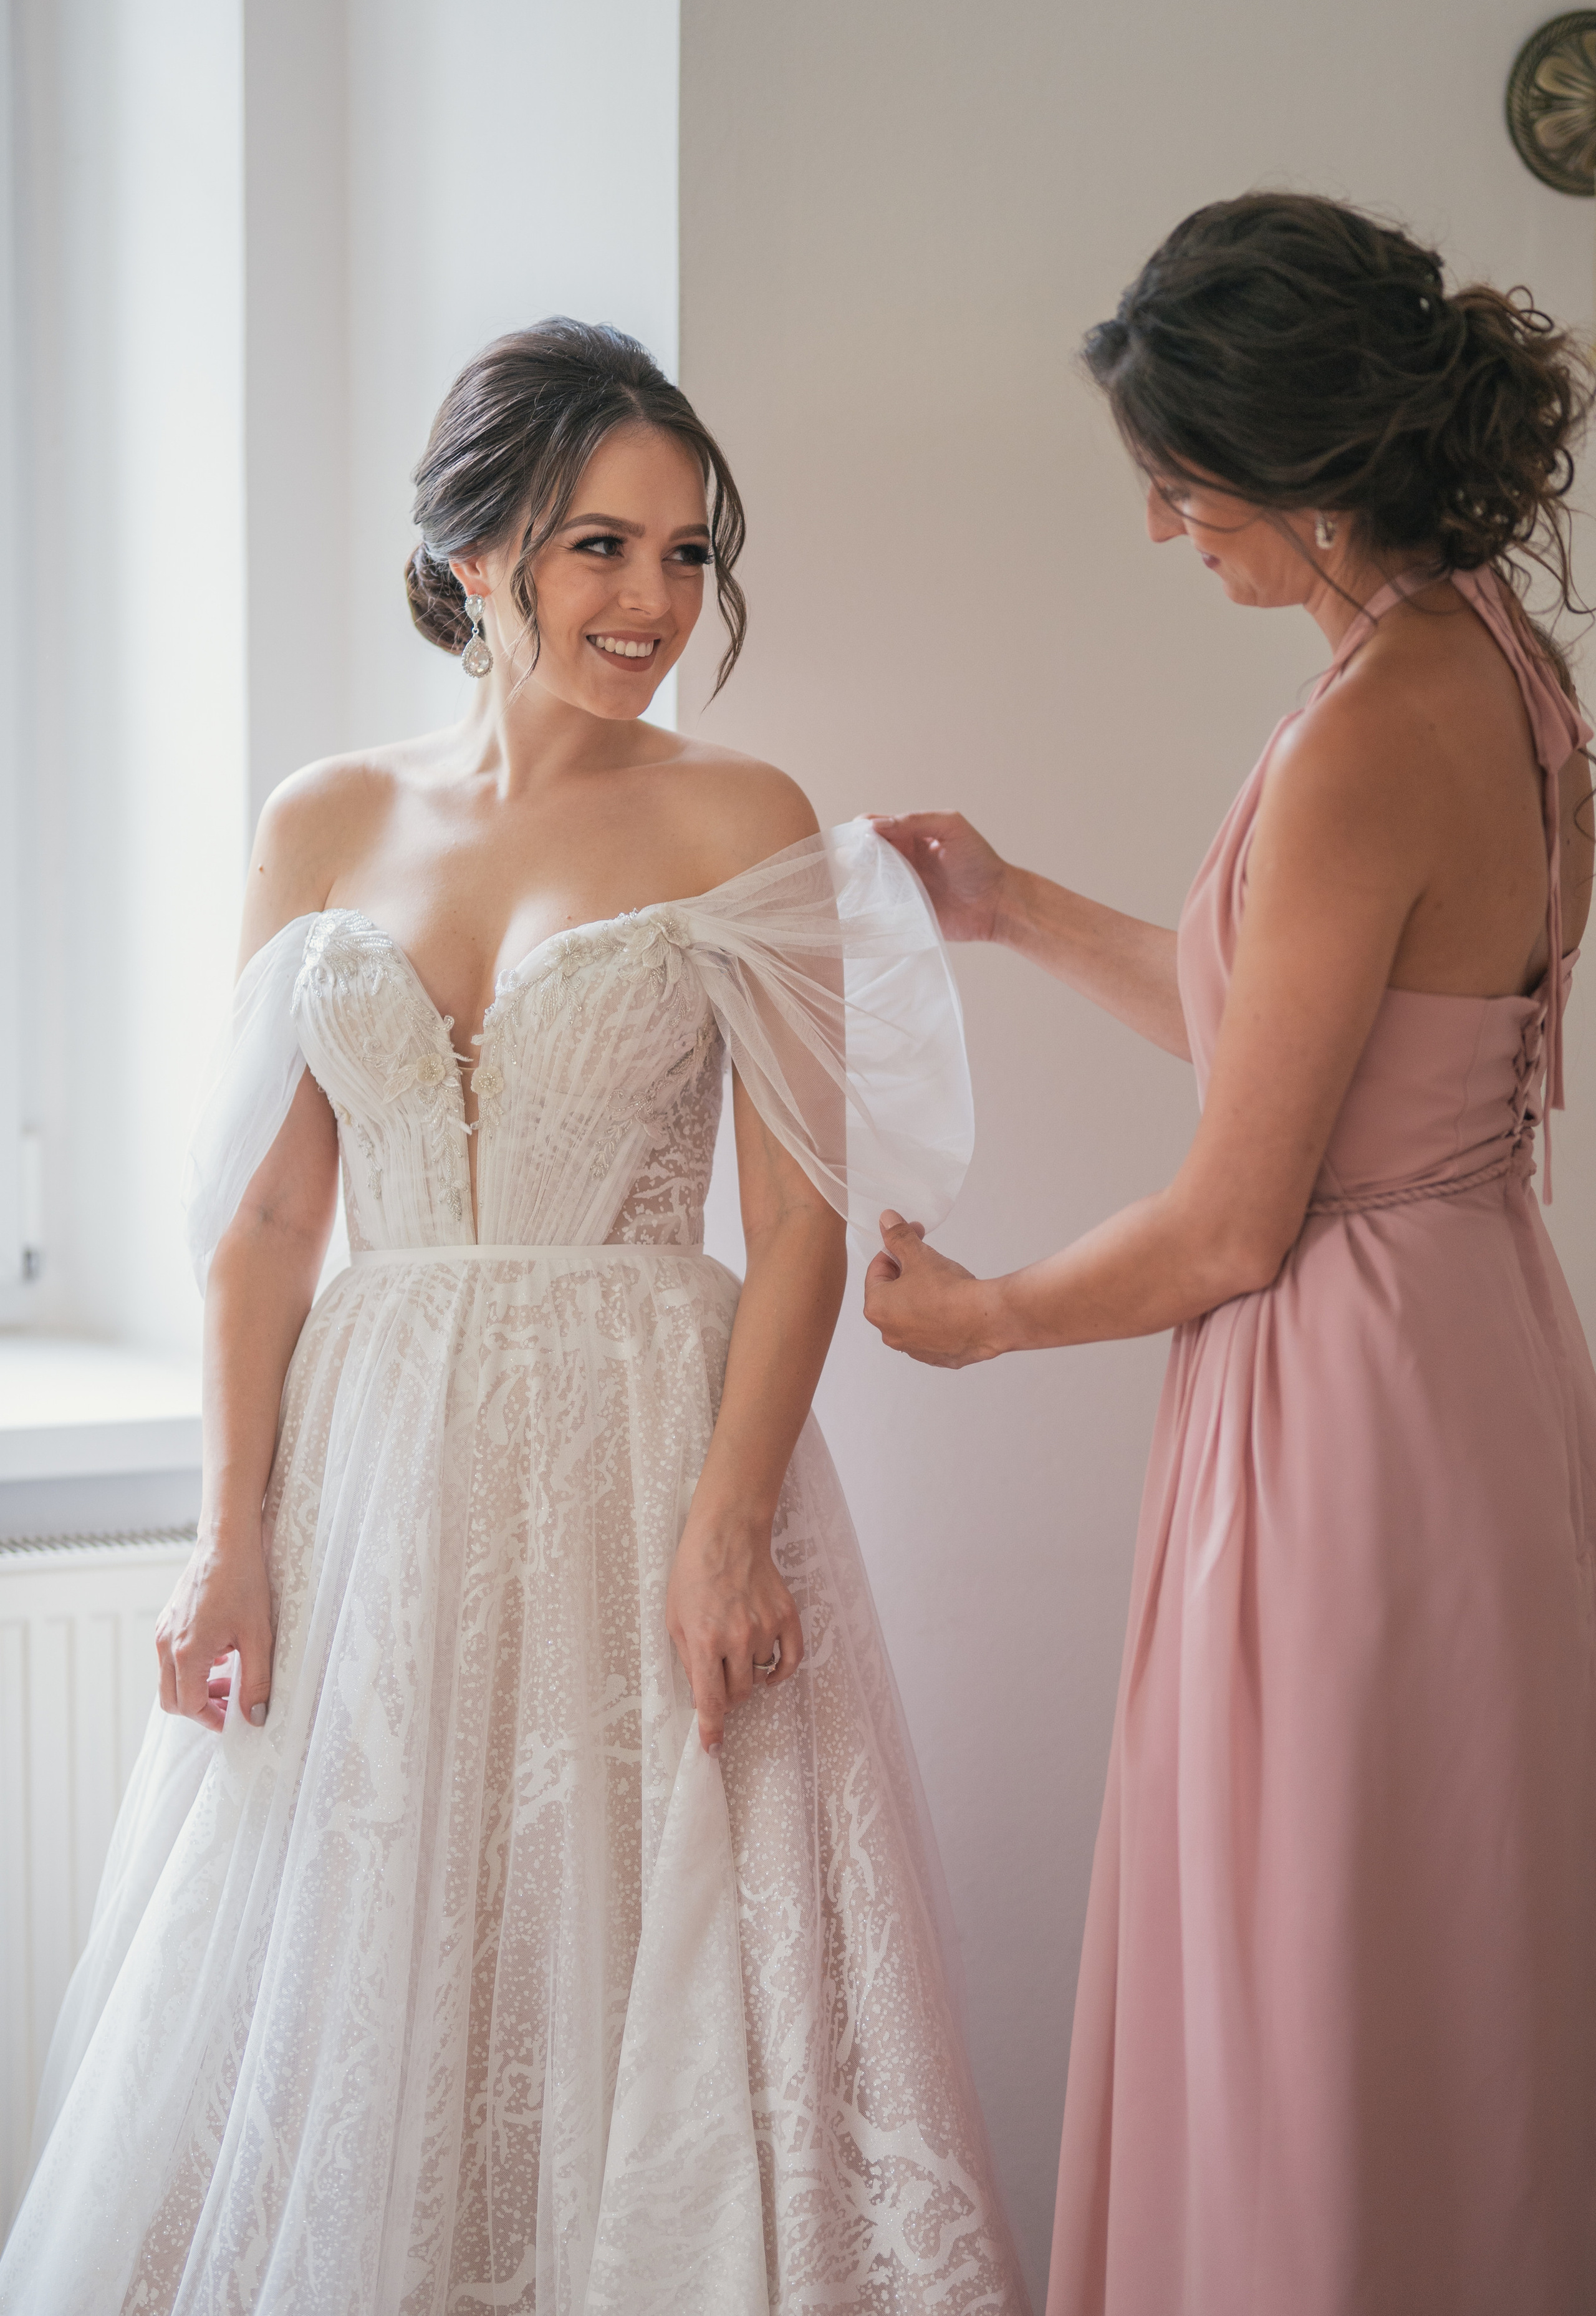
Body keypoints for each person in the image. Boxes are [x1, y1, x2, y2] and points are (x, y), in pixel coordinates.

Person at [0, 321, 1028, 2315]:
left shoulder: (741, 815)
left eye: (687, 556)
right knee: (363, 1975)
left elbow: (801, 1222)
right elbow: (272, 1214)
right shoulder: (319, 821)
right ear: (475, 555)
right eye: (601, 549)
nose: (654, 602)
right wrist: (227, 1535)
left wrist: (731, 1520)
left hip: (652, 1456)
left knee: (636, 1950)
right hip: (368, 1471)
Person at [865, 196, 1596, 2316]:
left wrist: (986, 1318)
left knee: (1317, 1953)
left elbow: (1236, 1210)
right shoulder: (1508, 677)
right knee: (1437, 1956)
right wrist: (1012, 910)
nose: (1173, 532)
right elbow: (1298, 1034)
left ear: (1297, 463)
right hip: (1475, 1356)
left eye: (1183, 486)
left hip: (1346, 1393)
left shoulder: (1373, 731)